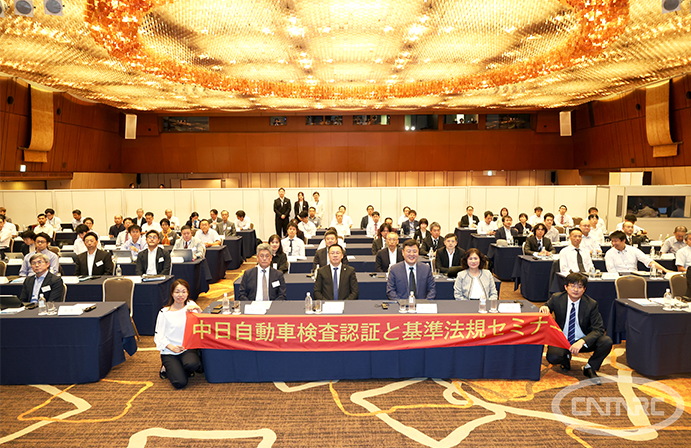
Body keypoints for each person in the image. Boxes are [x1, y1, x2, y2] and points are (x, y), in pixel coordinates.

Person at [540, 272, 613, 385]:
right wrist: (545, 307)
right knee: (553, 357)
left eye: (579, 287)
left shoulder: (591, 304)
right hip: (562, 339)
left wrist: (582, 341)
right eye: (572, 286)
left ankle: (590, 367)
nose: (575, 290)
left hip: (582, 341)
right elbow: (547, 306)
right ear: (566, 287)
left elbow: (599, 329)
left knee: (606, 341)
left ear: (584, 289)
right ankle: (565, 358)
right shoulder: (557, 298)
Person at [154, 279, 202, 389]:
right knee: (180, 383)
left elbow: (203, 325)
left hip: (187, 348)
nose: (180, 295)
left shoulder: (191, 305)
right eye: (177, 292)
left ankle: (181, 366)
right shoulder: (164, 313)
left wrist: (198, 310)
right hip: (170, 351)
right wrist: (172, 348)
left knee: (193, 364)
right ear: (172, 293)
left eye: (184, 291)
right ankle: (166, 367)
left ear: (188, 293)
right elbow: (159, 336)